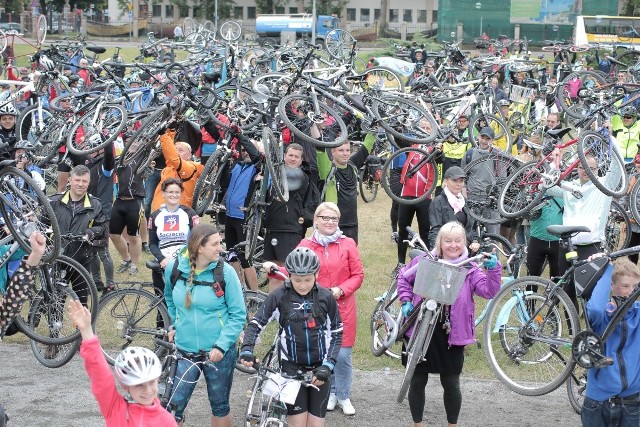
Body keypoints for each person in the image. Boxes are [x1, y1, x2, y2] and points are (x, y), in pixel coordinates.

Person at [397, 222, 501, 427]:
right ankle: (417, 424)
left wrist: (494, 269)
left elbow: (488, 291)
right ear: (440, 242)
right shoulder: (425, 260)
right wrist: (406, 300)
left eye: (458, 241)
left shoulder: (470, 268)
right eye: (448, 241)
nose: (453, 245)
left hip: (451, 334)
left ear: (465, 243)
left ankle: (452, 424)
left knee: (451, 383)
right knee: (417, 381)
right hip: (421, 329)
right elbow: (404, 278)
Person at [240, 248, 343, 427]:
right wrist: (247, 348)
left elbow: (336, 333)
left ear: (317, 274)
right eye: (297, 280)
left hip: (320, 369)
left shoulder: (326, 297)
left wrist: (329, 365)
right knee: (298, 424)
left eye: (307, 280)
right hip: (291, 369)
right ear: (289, 276)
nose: (302, 285)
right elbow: (257, 323)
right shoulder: (279, 296)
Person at [163, 224, 246, 427]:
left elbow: (238, 315)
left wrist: (221, 345)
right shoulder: (174, 269)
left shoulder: (225, 273)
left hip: (219, 352)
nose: (221, 248)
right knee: (172, 408)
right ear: (199, 247)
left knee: (219, 406)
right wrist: (175, 324)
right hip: (184, 351)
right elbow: (170, 298)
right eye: (215, 244)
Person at [297, 202, 364, 415]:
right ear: (316, 221)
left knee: (342, 355)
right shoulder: (305, 244)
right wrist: (273, 269)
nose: (329, 222)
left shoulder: (348, 244)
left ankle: (343, 395)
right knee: (323, 353)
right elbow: (293, 269)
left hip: (342, 308)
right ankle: (331, 392)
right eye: (325, 218)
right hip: (315, 308)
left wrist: (341, 290)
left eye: (333, 218)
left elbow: (358, 275)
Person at [68, 299, 178, 426]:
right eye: (139, 385)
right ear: (126, 386)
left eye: (152, 382)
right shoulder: (115, 408)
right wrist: (86, 331)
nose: (148, 391)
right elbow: (101, 376)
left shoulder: (166, 421)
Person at [581, 257, 640, 427]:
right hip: (598, 403)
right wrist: (606, 268)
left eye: (635, 287)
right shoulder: (602, 317)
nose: (630, 292)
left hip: (631, 403)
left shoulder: (638, 315)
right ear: (612, 286)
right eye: (625, 286)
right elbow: (595, 309)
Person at [262, 143, 315, 291]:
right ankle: (272, 309)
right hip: (272, 228)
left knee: (286, 274)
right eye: (290, 155)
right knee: (273, 274)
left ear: (301, 160)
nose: (292, 159)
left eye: (296, 157)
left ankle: (288, 307)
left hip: (289, 230)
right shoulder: (276, 173)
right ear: (284, 156)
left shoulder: (300, 176)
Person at [317, 135, 375, 243]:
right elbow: (320, 150)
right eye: (341, 150)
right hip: (332, 223)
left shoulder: (352, 166)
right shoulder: (328, 169)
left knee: (350, 257)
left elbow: (366, 147)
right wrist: (314, 125)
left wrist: (374, 129)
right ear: (332, 152)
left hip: (352, 223)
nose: (345, 153)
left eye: (347, 150)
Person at [148, 178, 199, 298]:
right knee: (162, 300)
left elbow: (197, 239)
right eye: (170, 192)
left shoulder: (189, 213)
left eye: (177, 192)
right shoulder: (155, 216)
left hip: (184, 262)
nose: (174, 195)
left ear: (181, 193)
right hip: (163, 263)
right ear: (164, 193)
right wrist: (161, 259)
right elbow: (152, 243)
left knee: (184, 299)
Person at [428, 167, 479, 253]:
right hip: (448, 252)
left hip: (467, 252)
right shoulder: (438, 202)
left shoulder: (464, 202)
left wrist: (475, 241)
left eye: (461, 181)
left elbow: (471, 229)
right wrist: (437, 253)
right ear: (446, 181)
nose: (458, 184)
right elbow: (435, 230)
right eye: (455, 180)